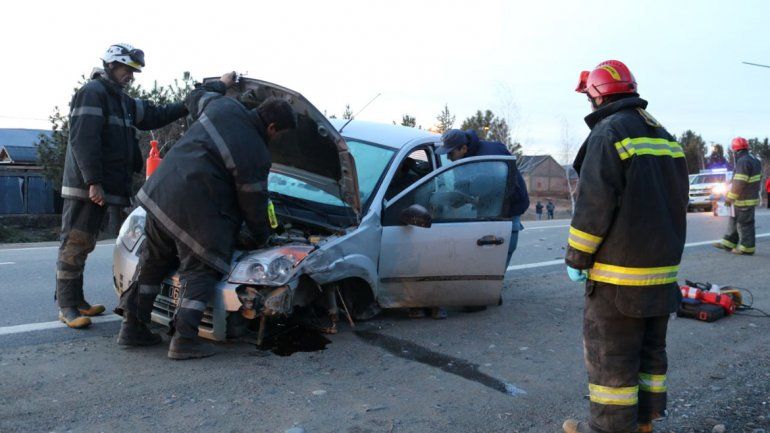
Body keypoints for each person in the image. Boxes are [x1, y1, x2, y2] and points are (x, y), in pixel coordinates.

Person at [116, 72, 298, 360]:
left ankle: (132, 327)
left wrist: (222, 85)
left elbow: (193, 95)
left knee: (152, 263)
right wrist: (262, 236)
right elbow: (253, 203)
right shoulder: (256, 152)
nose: (276, 141)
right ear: (272, 126)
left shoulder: (222, 106)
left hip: (160, 196)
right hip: (195, 212)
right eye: (280, 136)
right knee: (200, 272)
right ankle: (184, 341)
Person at [563, 60, 688, 433]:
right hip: (661, 277)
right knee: (650, 356)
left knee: (610, 360)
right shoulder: (665, 136)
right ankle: (644, 424)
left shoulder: (608, 133)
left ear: (596, 96)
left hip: (619, 280)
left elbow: (594, 206)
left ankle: (608, 429)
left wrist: (576, 257)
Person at [56, 43, 188, 329]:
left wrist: (188, 103)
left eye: (133, 71)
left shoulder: (120, 99)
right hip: (86, 186)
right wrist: (93, 182)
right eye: (128, 70)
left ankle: (77, 301)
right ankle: (66, 306)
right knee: (75, 243)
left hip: (101, 186)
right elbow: (83, 140)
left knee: (85, 243)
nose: (131, 76)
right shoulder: (93, 93)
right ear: (111, 65)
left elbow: (154, 114)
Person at [713, 137, 762, 255]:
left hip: (744, 199)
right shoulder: (753, 159)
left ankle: (747, 248)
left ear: (735, 150)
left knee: (745, 224)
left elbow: (740, 182)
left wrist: (730, 198)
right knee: (734, 220)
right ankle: (728, 243)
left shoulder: (743, 161)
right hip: (746, 197)